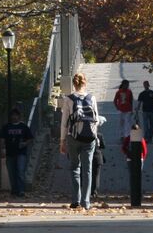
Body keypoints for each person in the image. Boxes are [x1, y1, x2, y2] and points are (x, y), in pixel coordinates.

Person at [60, 71, 99, 210]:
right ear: (85, 82)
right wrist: (96, 137)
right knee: (87, 169)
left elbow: (64, 121)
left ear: (74, 84)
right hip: (89, 138)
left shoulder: (68, 99)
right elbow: (96, 119)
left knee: (74, 167)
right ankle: (86, 201)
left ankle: (75, 200)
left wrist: (62, 140)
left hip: (73, 137)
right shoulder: (92, 98)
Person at [0, 107, 33, 197]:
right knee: (11, 172)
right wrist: (2, 149)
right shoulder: (6, 127)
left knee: (20, 171)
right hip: (9, 152)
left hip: (21, 153)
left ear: (19, 116)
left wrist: (25, 143)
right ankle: (14, 190)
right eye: (12, 115)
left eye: (16, 115)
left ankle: (21, 190)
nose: (14, 117)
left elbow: (30, 138)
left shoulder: (24, 127)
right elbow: (2, 139)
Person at [90, 130, 105, 200]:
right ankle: (94, 191)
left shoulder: (86, 135)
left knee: (87, 174)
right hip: (97, 157)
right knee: (96, 176)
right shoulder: (99, 135)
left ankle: (87, 191)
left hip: (88, 158)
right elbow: (103, 146)